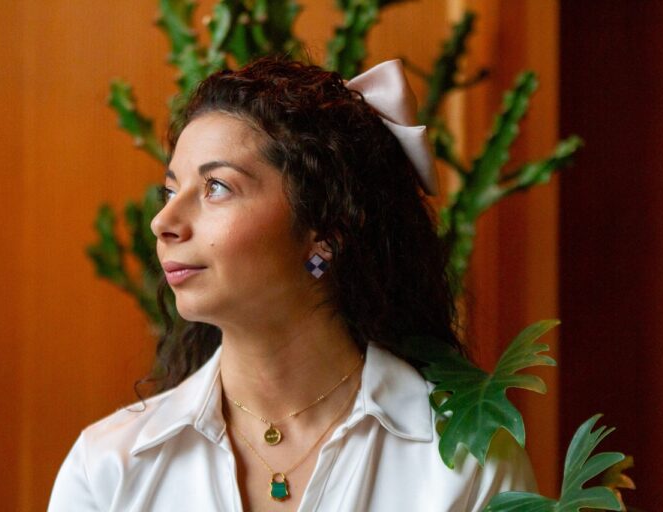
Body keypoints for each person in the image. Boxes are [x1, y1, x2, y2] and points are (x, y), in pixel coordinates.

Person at [48, 56, 536, 511]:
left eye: (216, 187)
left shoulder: (465, 458)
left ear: (325, 231)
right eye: (171, 190)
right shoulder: (108, 468)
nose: (164, 221)